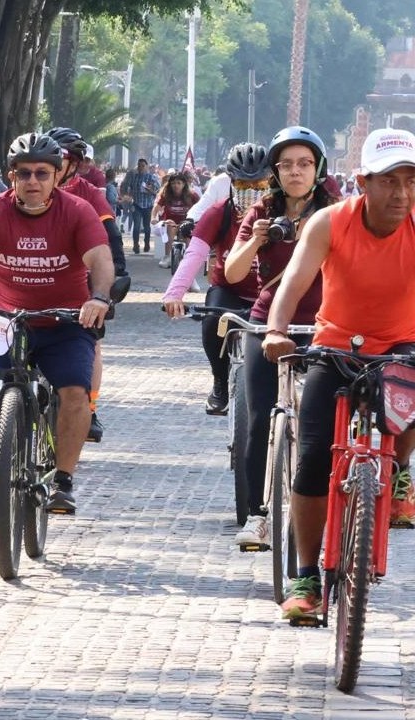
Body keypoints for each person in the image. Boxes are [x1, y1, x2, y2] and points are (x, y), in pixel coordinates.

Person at [262, 127, 415, 620]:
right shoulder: (329, 223)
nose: (402, 193)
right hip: (335, 346)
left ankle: (397, 473)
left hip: (402, 347)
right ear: (363, 182)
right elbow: (295, 280)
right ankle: (306, 576)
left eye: (411, 181)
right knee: (310, 461)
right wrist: (276, 329)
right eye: (390, 181)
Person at [0, 132, 115, 511]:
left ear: (56, 175)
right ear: (11, 176)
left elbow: (101, 260)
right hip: (5, 319)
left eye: (42, 174)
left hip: (65, 321)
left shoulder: (77, 211)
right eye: (24, 173)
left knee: (75, 395)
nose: (33, 181)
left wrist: (98, 297)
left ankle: (63, 479)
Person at [223, 125, 338, 549]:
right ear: (274, 171)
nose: (295, 172)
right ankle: (257, 514)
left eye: (304, 164)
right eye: (286, 164)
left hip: (325, 326)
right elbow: (233, 273)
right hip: (267, 323)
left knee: (325, 425)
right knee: (259, 418)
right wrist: (254, 241)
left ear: (318, 169)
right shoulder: (260, 213)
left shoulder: (336, 212)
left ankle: (327, 508)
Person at [162, 143, 272, 413]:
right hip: (229, 290)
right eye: (244, 186)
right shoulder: (218, 212)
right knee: (211, 322)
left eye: (259, 184)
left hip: (272, 293)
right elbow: (195, 253)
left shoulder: (281, 214)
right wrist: (174, 294)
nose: (252, 193)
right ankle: (220, 381)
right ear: (231, 183)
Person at [47, 126, 129, 444]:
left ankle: (89, 408)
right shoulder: (30, 188)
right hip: (33, 276)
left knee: (91, 343)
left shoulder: (90, 194)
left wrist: (113, 278)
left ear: (77, 164)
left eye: (64, 159)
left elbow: (111, 238)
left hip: (81, 278)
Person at [151, 171, 200, 268]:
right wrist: (153, 218)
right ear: (170, 184)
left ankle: (189, 258)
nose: (176, 186)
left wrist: (199, 221)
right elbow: (156, 207)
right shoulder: (165, 194)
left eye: (179, 183)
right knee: (170, 226)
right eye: (173, 183)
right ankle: (167, 256)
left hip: (186, 222)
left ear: (184, 184)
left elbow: (201, 207)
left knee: (187, 232)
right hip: (170, 222)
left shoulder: (192, 195)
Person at [120, 158, 160, 254]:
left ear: (146, 166)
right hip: (136, 205)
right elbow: (127, 187)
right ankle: (136, 245)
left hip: (148, 205)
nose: (140, 167)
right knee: (136, 226)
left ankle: (146, 244)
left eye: (143, 165)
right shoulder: (134, 177)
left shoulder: (152, 177)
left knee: (146, 227)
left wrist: (149, 189)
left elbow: (157, 191)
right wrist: (127, 195)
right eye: (139, 165)